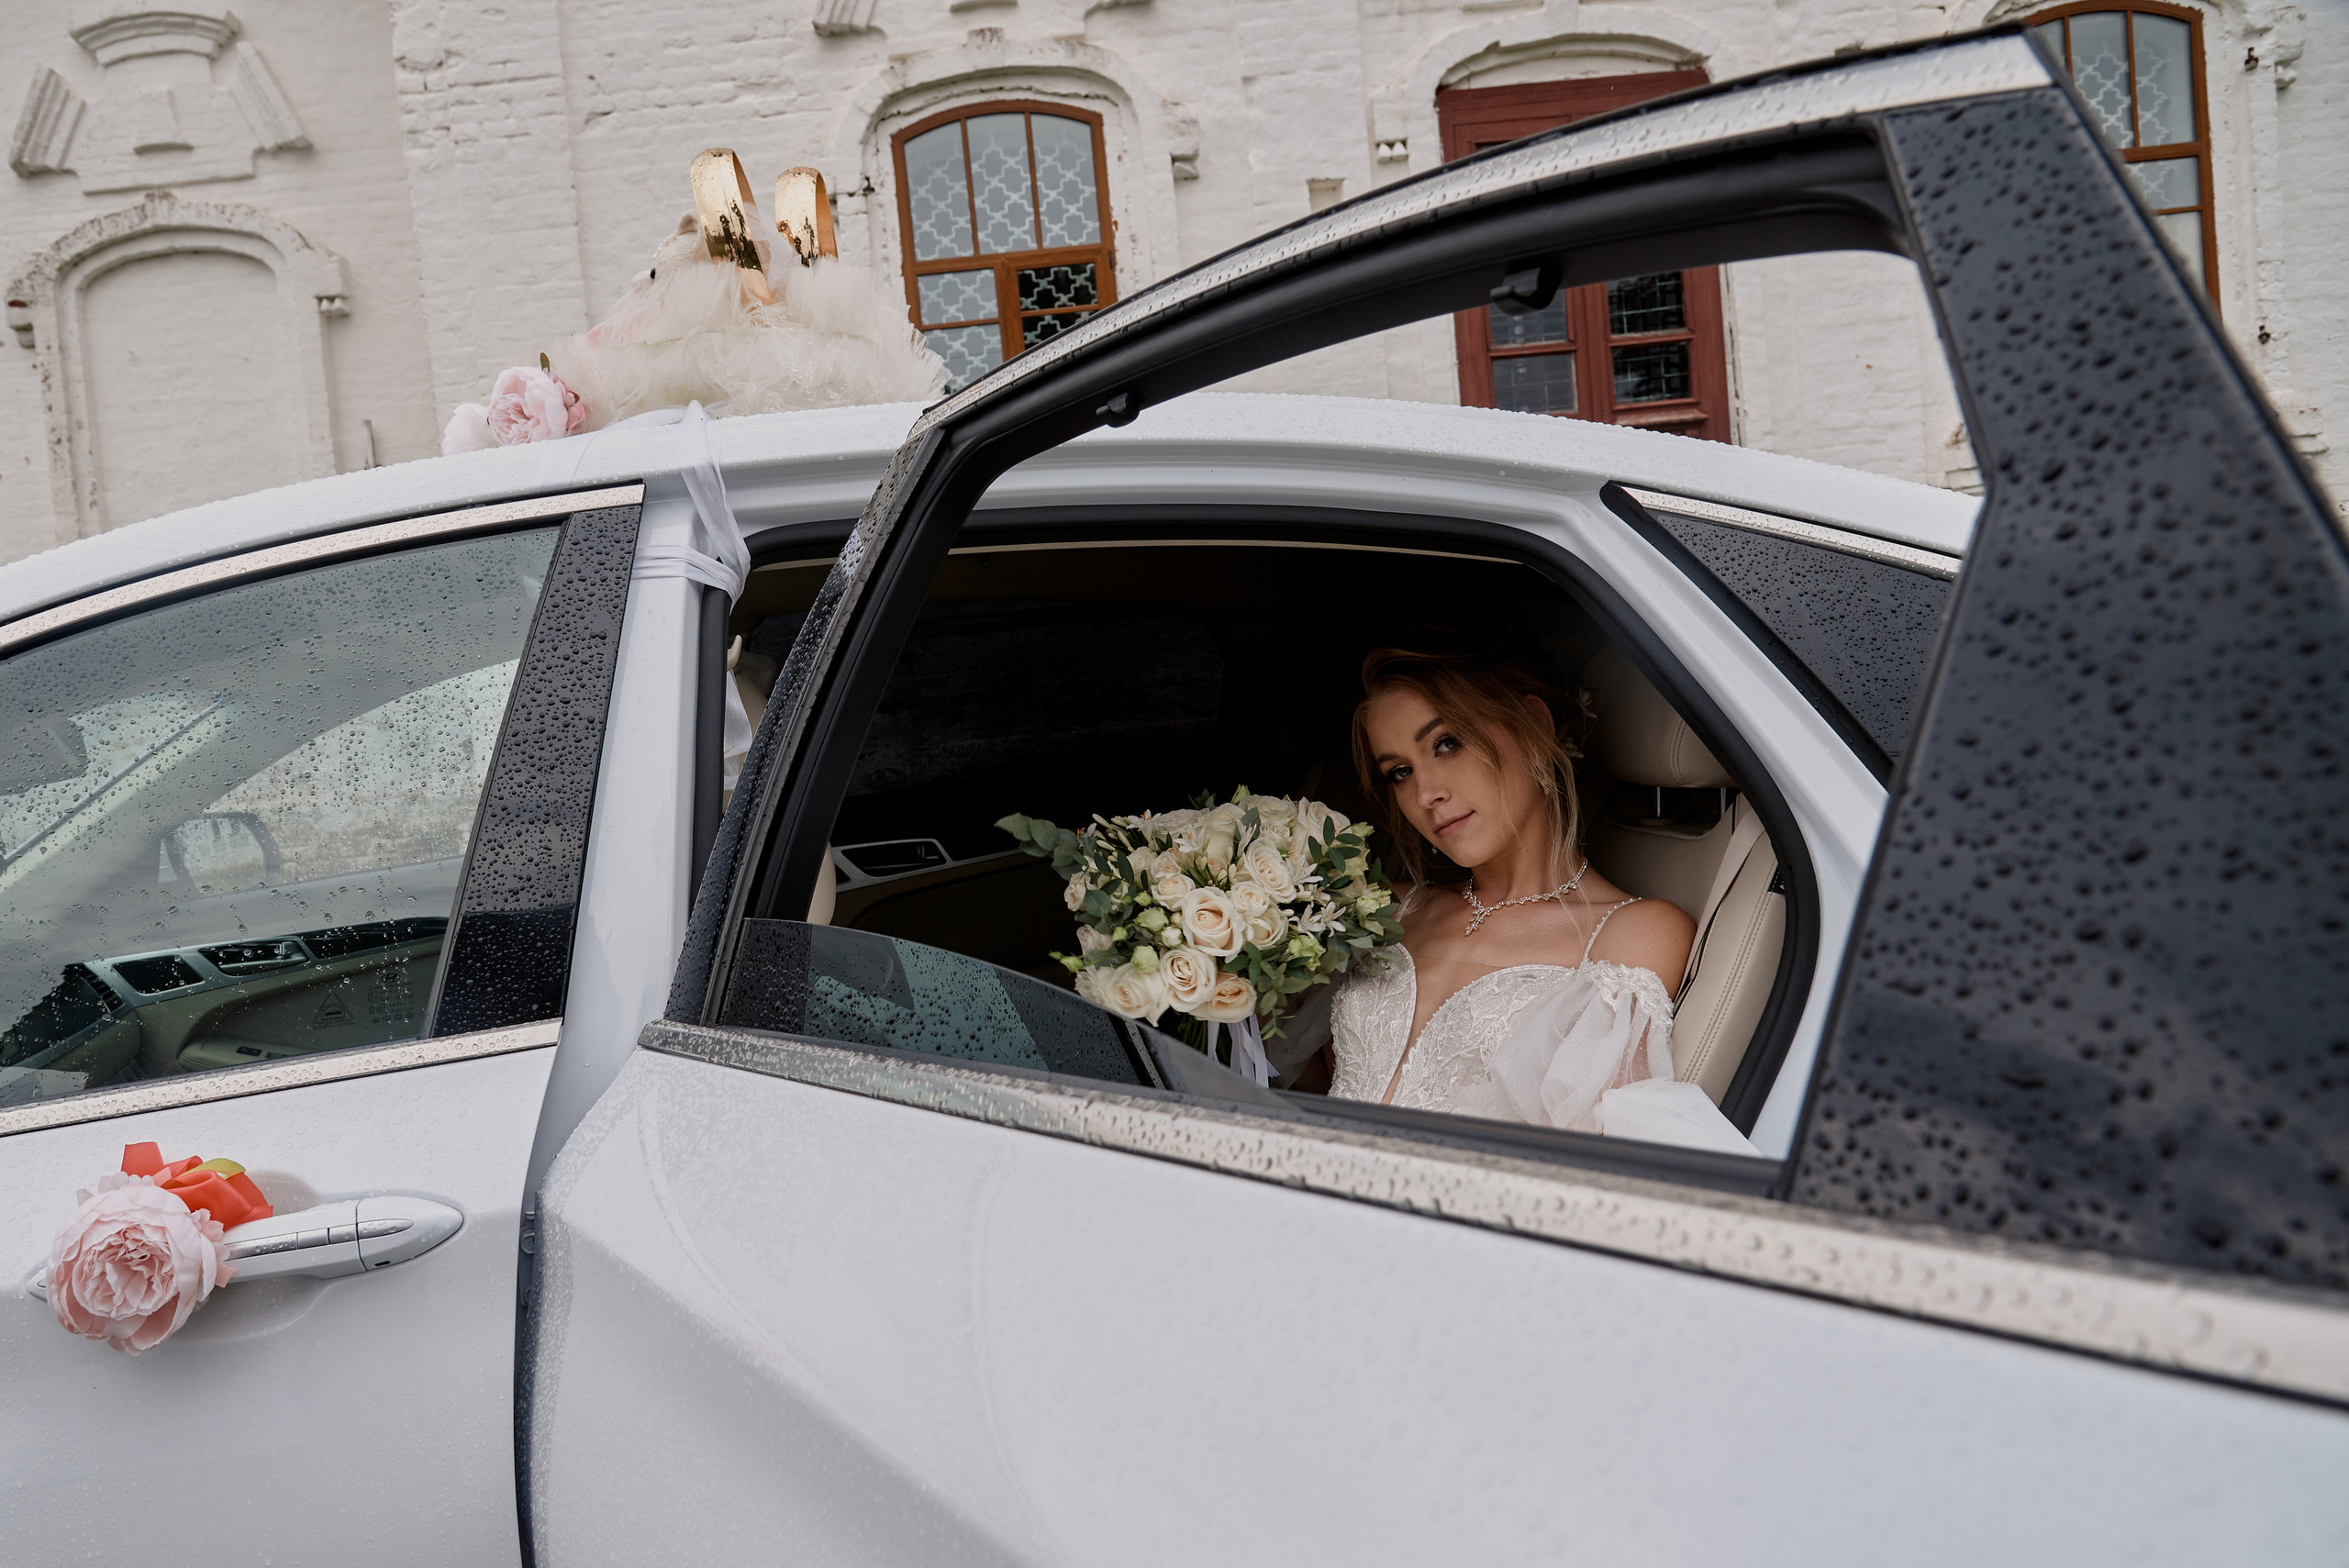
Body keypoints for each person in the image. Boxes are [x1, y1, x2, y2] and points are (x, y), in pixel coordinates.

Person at [1320, 644, 1756, 1153]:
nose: (1425, 794)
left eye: (1447, 744)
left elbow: (1590, 1163)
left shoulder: (1631, 932)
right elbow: (1303, 1079)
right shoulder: (1389, 908)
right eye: (1400, 772)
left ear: (1533, 724)